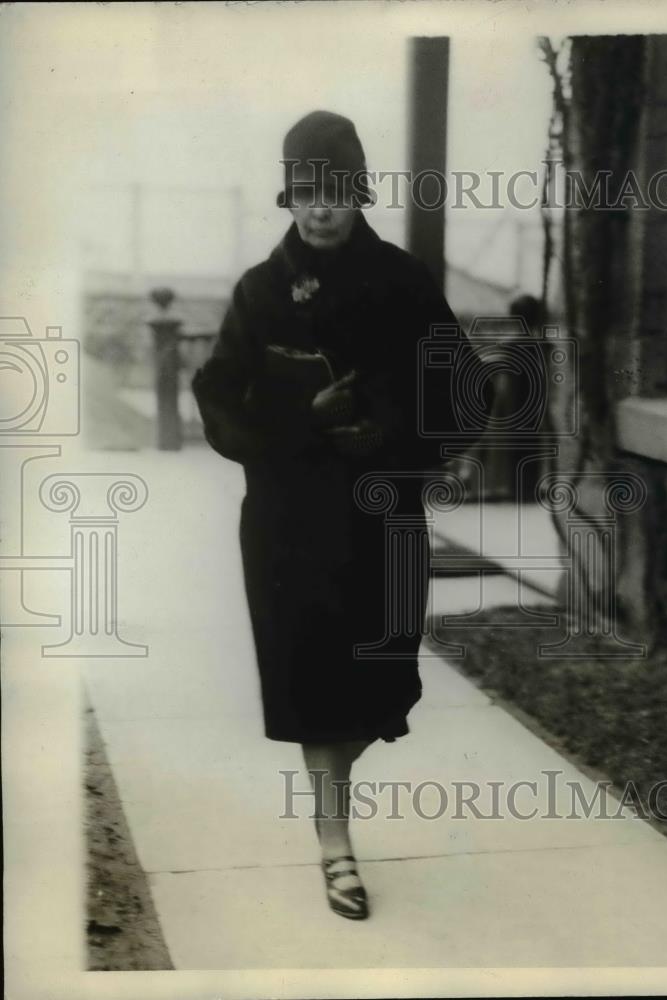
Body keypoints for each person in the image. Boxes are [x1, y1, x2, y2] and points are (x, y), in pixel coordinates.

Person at [191, 110, 491, 920]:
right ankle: (337, 851)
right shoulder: (259, 292)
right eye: (306, 193)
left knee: (382, 689)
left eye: (337, 193)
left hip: (382, 518)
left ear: (358, 195)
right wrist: (304, 421)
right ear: (288, 197)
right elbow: (217, 401)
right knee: (315, 684)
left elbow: (466, 392)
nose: (321, 210)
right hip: (289, 525)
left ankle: (336, 792)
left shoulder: (401, 281)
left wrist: (391, 431)